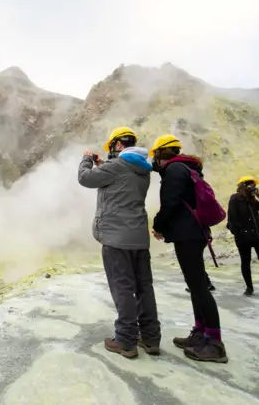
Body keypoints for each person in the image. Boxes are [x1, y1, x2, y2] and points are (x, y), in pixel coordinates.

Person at [78, 126, 161, 359]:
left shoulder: (117, 167)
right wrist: (102, 163)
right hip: (139, 239)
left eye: (112, 147)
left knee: (122, 287)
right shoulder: (141, 169)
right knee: (144, 287)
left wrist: (86, 160)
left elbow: (85, 179)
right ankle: (151, 337)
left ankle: (125, 340)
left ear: (117, 144)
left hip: (116, 239)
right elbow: (118, 177)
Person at [150, 134, 228, 363]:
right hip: (195, 232)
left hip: (188, 234)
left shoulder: (174, 171)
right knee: (195, 285)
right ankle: (200, 333)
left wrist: (158, 226)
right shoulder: (185, 168)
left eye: (155, 156)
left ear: (161, 154)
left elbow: (170, 204)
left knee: (199, 287)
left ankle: (214, 343)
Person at [227, 176, 259, 298]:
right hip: (244, 238)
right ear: (242, 186)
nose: (252, 187)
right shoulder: (235, 199)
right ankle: (249, 288)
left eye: (253, 185)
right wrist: (239, 233)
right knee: (245, 262)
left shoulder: (253, 199)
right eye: (249, 184)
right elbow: (231, 220)